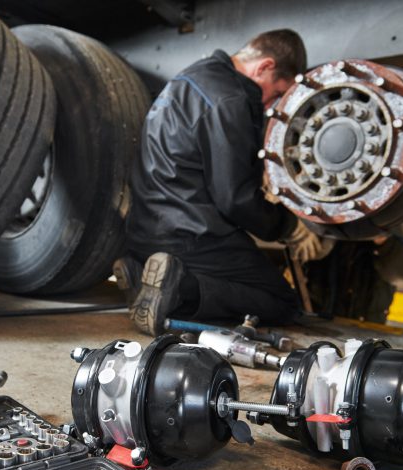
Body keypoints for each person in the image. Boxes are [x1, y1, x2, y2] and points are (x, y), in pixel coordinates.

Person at [114, 29, 328, 336]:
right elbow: (235, 199)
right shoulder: (232, 97)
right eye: (278, 92)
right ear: (264, 66)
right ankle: (179, 288)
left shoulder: (191, 78)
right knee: (283, 302)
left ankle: (140, 271)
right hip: (189, 234)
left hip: (146, 227)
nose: (272, 104)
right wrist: (288, 227)